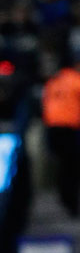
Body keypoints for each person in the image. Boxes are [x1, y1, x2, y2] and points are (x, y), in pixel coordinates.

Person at [42, 54, 80, 216]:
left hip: (52, 128)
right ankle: (70, 202)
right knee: (71, 166)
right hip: (69, 128)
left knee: (63, 165)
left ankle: (65, 198)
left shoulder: (54, 81)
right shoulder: (76, 80)